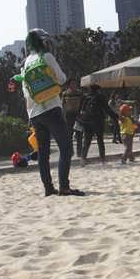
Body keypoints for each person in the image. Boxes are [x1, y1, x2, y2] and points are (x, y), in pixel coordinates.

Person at [16, 28, 84, 197]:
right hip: (51, 108)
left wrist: (30, 114)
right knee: (66, 148)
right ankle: (64, 187)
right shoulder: (46, 57)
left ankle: (48, 188)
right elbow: (62, 79)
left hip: (34, 113)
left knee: (43, 152)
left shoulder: (25, 64)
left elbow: (25, 92)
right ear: (42, 42)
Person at [79, 84, 118, 165]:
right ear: (98, 90)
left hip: (87, 121)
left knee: (87, 140)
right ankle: (102, 159)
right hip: (98, 121)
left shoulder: (85, 97)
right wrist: (115, 116)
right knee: (100, 140)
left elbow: (80, 109)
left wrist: (80, 120)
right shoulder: (100, 97)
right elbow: (107, 109)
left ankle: (83, 159)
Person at [61, 79, 84, 158]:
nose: (74, 85)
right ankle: (70, 151)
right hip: (69, 115)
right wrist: (63, 116)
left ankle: (79, 152)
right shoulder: (65, 94)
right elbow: (62, 105)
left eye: (75, 83)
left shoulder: (80, 93)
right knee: (69, 134)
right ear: (69, 85)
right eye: (72, 84)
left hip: (78, 114)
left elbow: (83, 103)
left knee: (79, 133)